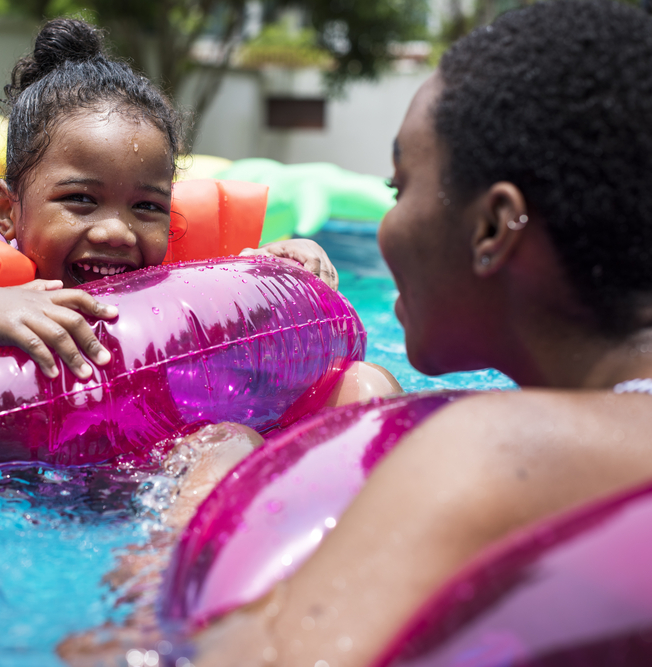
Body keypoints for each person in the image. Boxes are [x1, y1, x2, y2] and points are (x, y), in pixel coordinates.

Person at [58, 2, 652, 666]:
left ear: (492, 228)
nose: (385, 227)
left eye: (398, 188)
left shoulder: (490, 449)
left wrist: (175, 534)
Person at [0, 19, 391, 416]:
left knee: (370, 383)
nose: (115, 231)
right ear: (7, 211)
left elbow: (226, 290)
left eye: (146, 207)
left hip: (148, 460)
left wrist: (277, 265)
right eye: (80, 200)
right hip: (20, 492)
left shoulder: (170, 282)